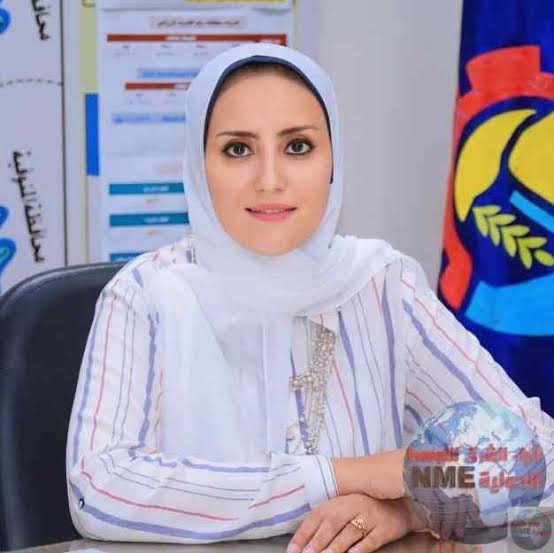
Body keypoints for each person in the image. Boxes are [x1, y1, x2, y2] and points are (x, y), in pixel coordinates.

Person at [66, 43, 554, 553]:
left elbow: (534, 452)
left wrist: (408, 508)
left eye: (297, 146)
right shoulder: (147, 294)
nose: (270, 180)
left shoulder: (381, 284)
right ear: (198, 164)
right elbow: (97, 489)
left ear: (332, 161)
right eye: (238, 150)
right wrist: (342, 477)